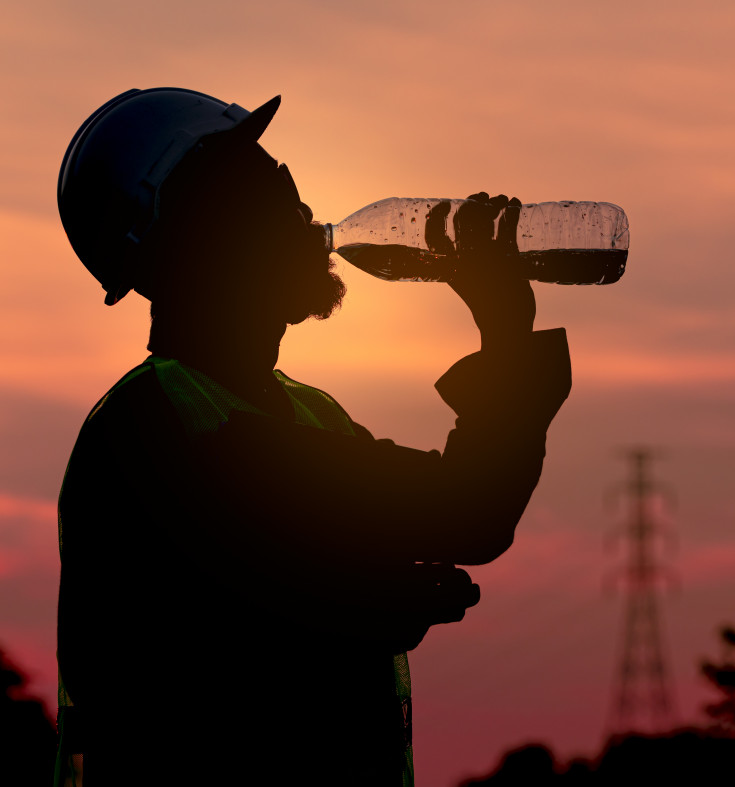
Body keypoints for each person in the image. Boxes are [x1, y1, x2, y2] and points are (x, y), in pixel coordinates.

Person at [53, 88, 571, 785]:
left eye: (287, 181)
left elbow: (455, 516)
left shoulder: (303, 411)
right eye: (266, 192)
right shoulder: (164, 426)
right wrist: (505, 327)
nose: (300, 209)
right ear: (194, 240)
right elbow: (464, 510)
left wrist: (357, 598)